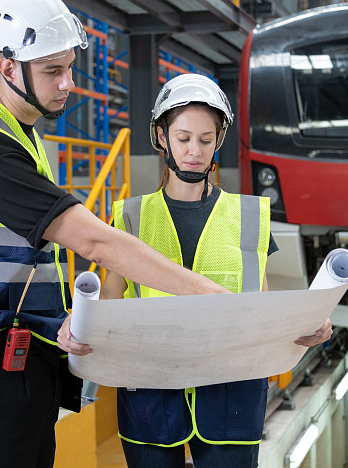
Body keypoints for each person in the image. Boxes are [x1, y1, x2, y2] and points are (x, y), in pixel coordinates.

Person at [0, 0, 232, 468]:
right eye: (53, 71)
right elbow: (93, 240)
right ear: (7, 67)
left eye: (69, 68)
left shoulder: (23, 139)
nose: (69, 82)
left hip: (22, 363)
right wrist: (209, 296)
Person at [101, 73, 333, 468]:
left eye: (206, 140)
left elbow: (259, 311)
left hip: (230, 398)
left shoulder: (249, 217)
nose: (195, 151)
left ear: (218, 141)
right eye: (184, 138)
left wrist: (304, 326)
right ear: (161, 137)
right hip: (151, 396)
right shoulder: (130, 217)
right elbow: (107, 310)